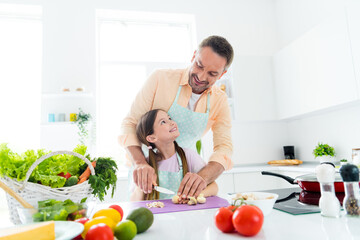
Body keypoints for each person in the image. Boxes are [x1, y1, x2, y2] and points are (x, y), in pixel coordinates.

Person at [119, 35, 234, 200]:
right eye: (199, 65)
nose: (201, 77)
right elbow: (130, 123)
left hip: (184, 171)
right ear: (194, 56)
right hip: (146, 170)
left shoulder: (219, 100)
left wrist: (202, 177)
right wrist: (140, 163)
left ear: (222, 74)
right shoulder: (160, 78)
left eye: (212, 74)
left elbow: (224, 148)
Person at [131, 109, 218, 201]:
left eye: (170, 118)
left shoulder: (189, 155)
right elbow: (134, 201)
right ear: (152, 138)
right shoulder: (146, 165)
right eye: (163, 122)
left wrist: (194, 196)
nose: (172, 122)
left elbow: (214, 187)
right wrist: (143, 185)